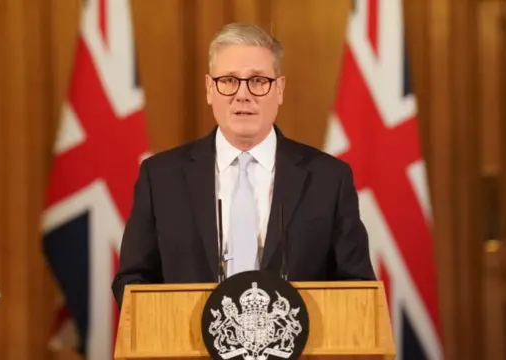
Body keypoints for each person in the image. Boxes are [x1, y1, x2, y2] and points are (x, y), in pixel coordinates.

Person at [112, 22, 376, 307]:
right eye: (228, 80)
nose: (243, 94)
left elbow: (356, 288)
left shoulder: (328, 179)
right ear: (209, 89)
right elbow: (133, 283)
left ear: (280, 89)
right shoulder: (161, 178)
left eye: (258, 81)